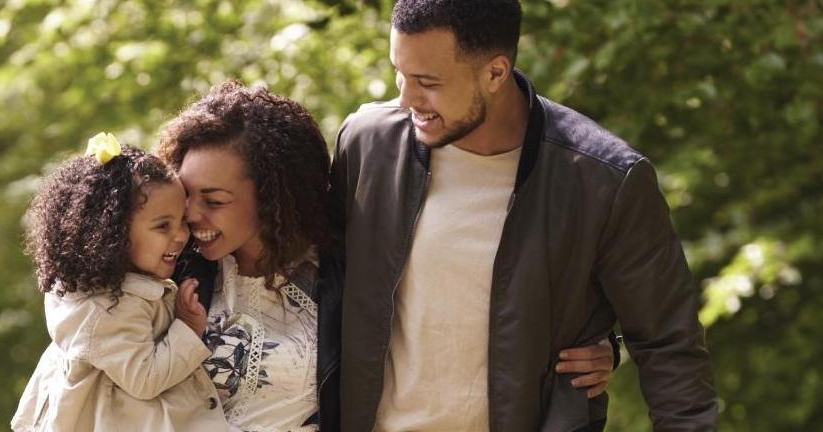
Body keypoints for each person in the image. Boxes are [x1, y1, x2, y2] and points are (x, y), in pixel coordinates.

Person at [329, 0, 718, 430]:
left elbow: (670, 346)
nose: (406, 98)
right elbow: (313, 290)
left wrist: (599, 337)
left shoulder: (604, 180)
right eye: (400, 74)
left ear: (495, 73)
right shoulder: (367, 145)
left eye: (427, 82)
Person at [159, 82, 615, 431]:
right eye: (185, 195)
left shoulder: (346, 271)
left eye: (214, 200)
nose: (191, 215)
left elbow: (465, 310)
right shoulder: (170, 269)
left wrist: (600, 348)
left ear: (273, 196)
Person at [11, 134, 228, 431]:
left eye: (182, 221)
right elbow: (145, 377)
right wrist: (188, 328)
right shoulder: (104, 310)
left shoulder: (110, 289)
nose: (181, 235)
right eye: (163, 225)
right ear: (112, 234)